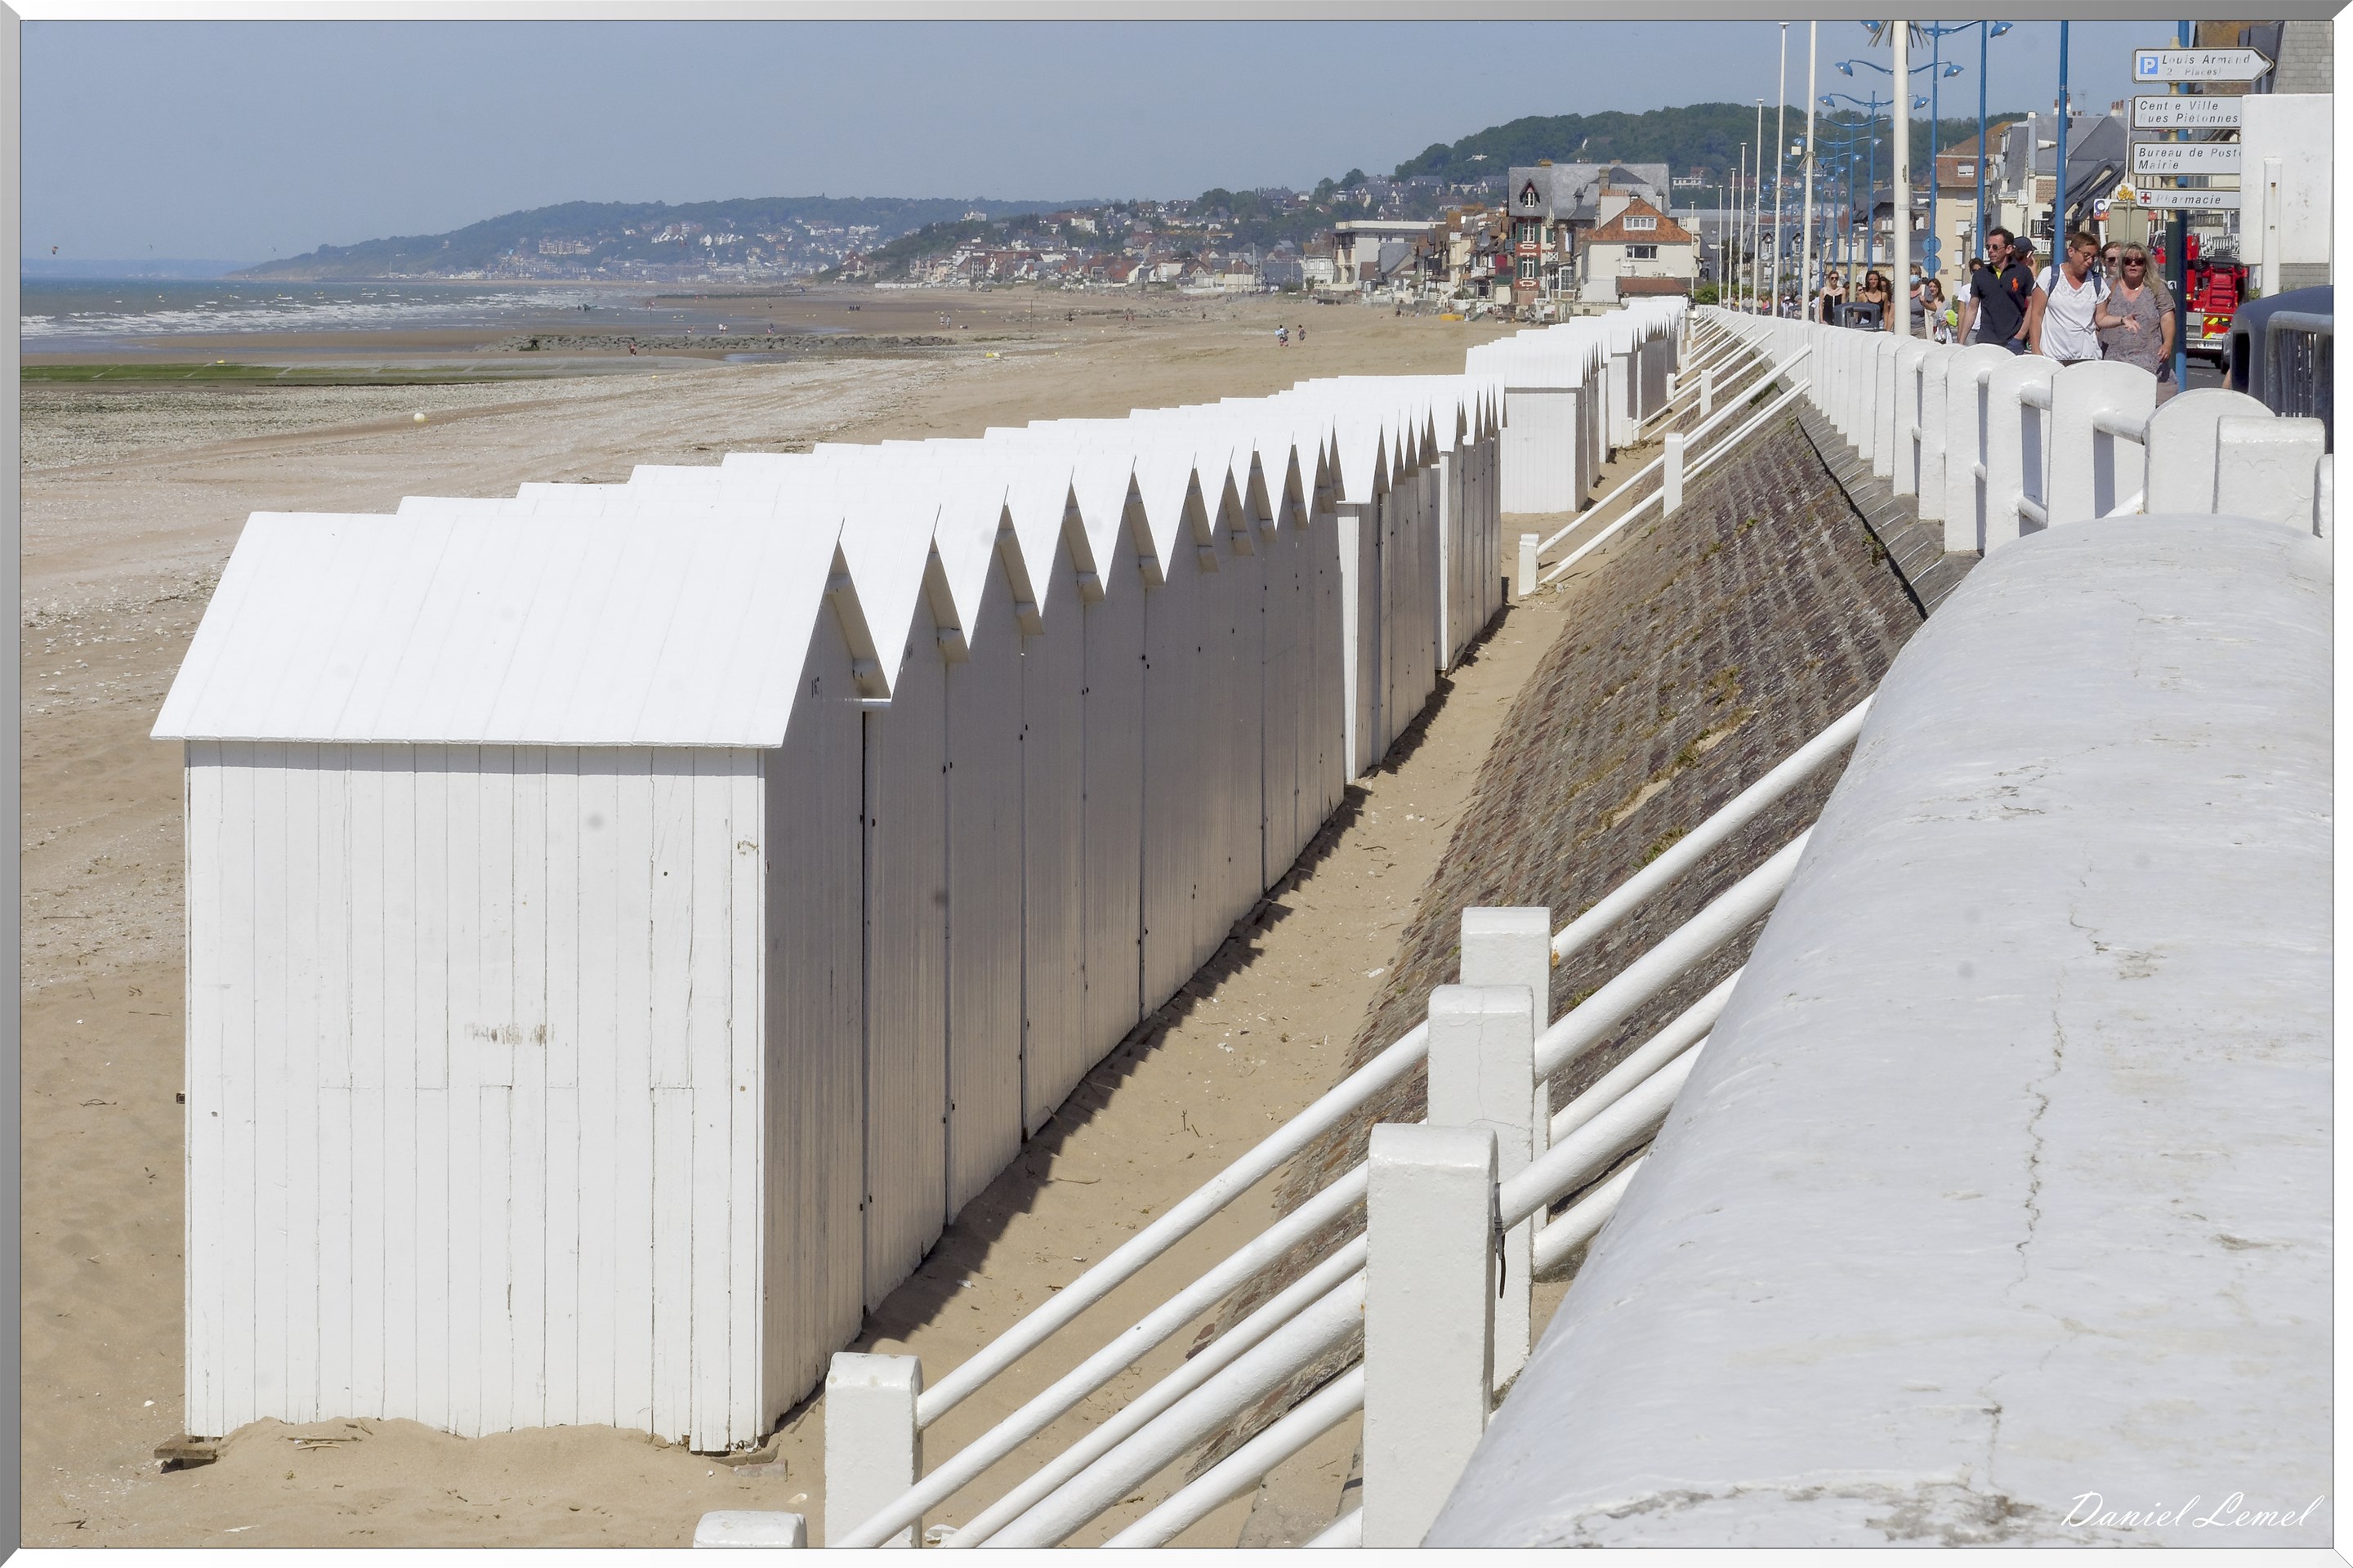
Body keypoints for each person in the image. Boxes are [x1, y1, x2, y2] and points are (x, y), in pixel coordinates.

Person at [2093, 243, 2179, 401]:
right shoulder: (2108, 287)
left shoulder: (2157, 288)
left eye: (2139, 261)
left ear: (2146, 264)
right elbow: (2099, 318)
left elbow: (2167, 317)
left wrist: (2167, 344)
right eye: (2128, 261)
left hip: (2151, 367)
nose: (2133, 264)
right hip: (2114, 364)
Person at [2031, 230, 2107, 365]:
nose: (2090, 261)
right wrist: (2036, 350)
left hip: (2087, 356)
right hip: (2053, 356)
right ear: (2071, 252)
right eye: (2086, 255)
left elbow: (2101, 318)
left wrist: (2123, 320)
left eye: (2093, 257)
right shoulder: (2050, 275)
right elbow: (2036, 315)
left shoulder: (2097, 281)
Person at [1957, 227, 2038, 352]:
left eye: (1995, 247)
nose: (1990, 251)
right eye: (1988, 247)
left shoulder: (2022, 272)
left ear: (2008, 249)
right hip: (1986, 340)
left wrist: (2020, 336)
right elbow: (1972, 309)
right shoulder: (1980, 275)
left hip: (2012, 341)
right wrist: (1961, 342)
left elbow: (2033, 305)